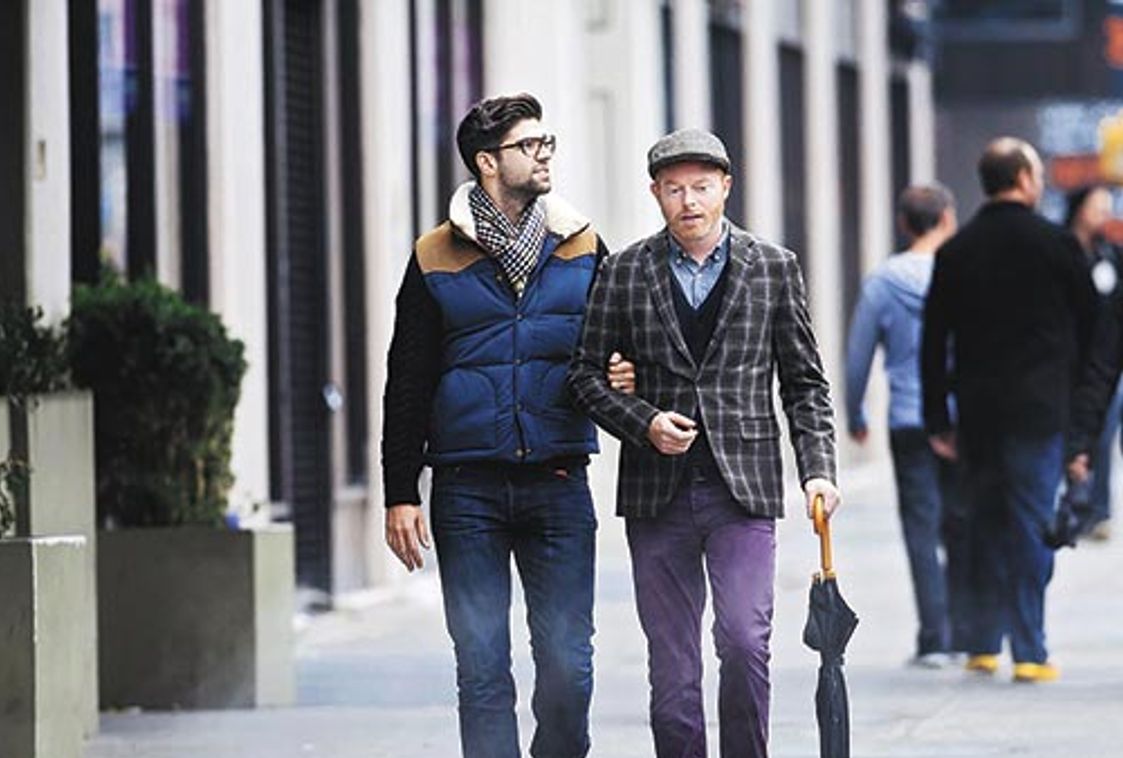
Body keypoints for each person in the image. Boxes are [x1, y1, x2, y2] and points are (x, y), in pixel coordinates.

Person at [569, 127, 840, 758]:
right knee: (672, 673)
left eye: (700, 187)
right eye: (673, 189)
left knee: (745, 644)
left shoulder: (773, 267)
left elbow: (805, 382)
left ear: (725, 187)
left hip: (741, 491)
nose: (688, 201)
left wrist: (817, 471)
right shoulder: (624, 270)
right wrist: (643, 422)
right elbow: (582, 375)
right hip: (656, 495)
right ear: (655, 195)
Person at [380, 93, 608, 758]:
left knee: (569, 663)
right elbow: (408, 379)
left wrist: (626, 377)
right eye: (527, 146)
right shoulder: (432, 256)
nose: (543, 156)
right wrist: (400, 491)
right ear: (487, 162)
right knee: (480, 666)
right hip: (466, 489)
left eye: (546, 144)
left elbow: (620, 346)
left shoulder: (584, 245)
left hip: (559, 479)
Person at [921, 137, 1095, 684]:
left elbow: (933, 341)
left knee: (983, 521)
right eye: (1037, 172)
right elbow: (1092, 333)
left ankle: (981, 643)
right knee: (1030, 523)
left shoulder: (956, 250)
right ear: (1022, 177)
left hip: (977, 411)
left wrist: (937, 419)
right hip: (1041, 412)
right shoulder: (1058, 245)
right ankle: (1030, 649)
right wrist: (1083, 422)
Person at [845, 184, 972, 667]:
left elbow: (859, 356)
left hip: (906, 419)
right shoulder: (962, 275)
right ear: (945, 217)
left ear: (904, 224)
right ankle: (965, 633)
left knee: (921, 528)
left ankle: (934, 638)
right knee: (960, 523)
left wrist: (855, 412)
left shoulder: (883, 282)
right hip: (957, 418)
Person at [1063, 185, 1120, 541]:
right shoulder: (1061, 250)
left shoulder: (1110, 254)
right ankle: (1072, 502)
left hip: (1105, 359)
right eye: (1097, 206)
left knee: (1104, 428)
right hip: (1066, 358)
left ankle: (1098, 509)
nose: (1104, 213)